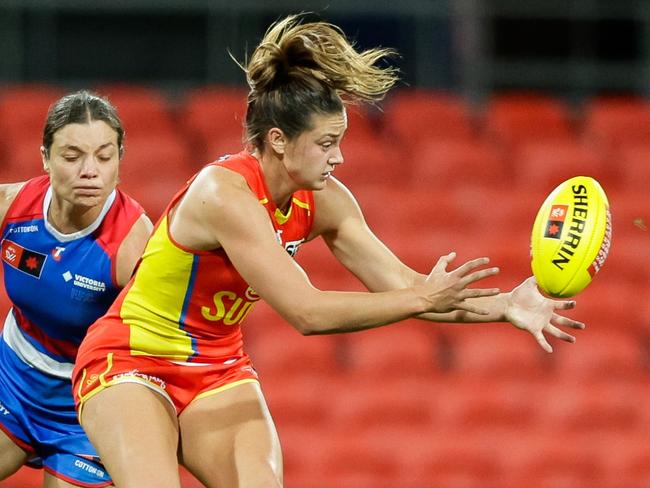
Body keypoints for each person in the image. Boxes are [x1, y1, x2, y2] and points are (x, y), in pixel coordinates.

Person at [72, 15, 584, 488]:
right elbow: (307, 312)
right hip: (129, 358)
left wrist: (505, 308)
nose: (339, 156)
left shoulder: (324, 201)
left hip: (216, 367)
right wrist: (421, 301)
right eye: (326, 142)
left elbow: (406, 286)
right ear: (277, 139)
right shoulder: (222, 193)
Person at [0, 90, 153, 487]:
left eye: (105, 157)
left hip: (88, 406)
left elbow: (160, 343)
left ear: (120, 160)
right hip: (12, 382)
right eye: (72, 157)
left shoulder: (133, 245)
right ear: (45, 158)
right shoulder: (12, 207)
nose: (90, 171)